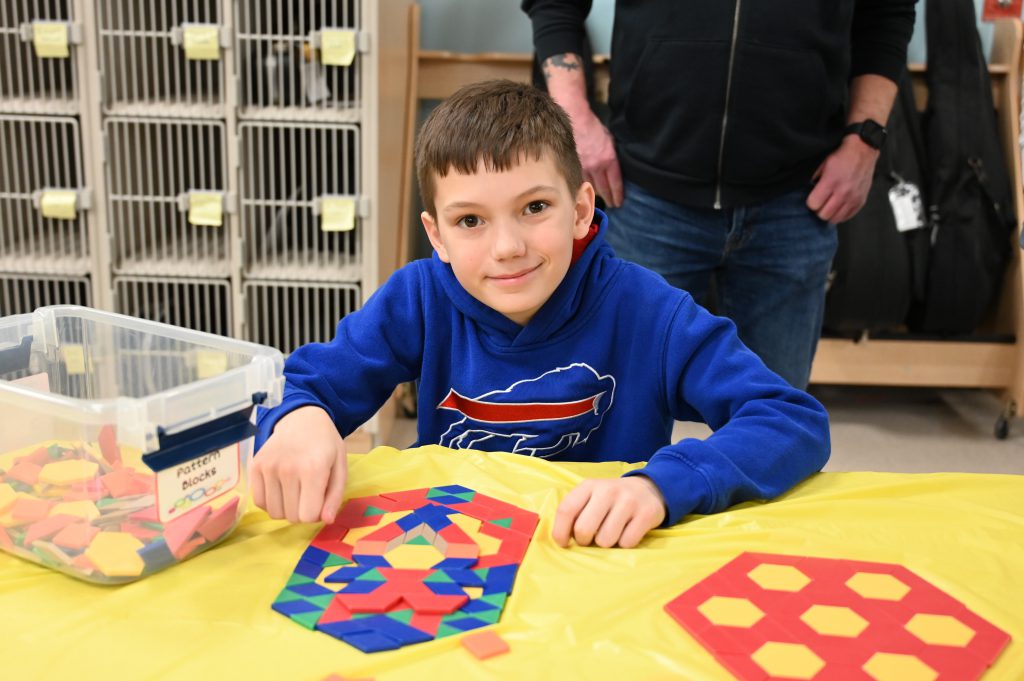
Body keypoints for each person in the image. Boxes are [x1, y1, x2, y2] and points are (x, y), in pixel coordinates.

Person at [252, 80, 830, 549]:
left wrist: (661, 485)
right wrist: (301, 418)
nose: (507, 247)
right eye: (470, 221)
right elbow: (294, 387)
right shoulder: (418, 298)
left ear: (580, 209)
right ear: (437, 237)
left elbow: (790, 420)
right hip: (456, 558)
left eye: (533, 207)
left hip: (598, 561)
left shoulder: (650, 311)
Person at [522, 0, 917, 389]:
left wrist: (865, 140)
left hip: (795, 199)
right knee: (619, 407)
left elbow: (886, 12)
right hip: (645, 195)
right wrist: (572, 117)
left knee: (773, 423)